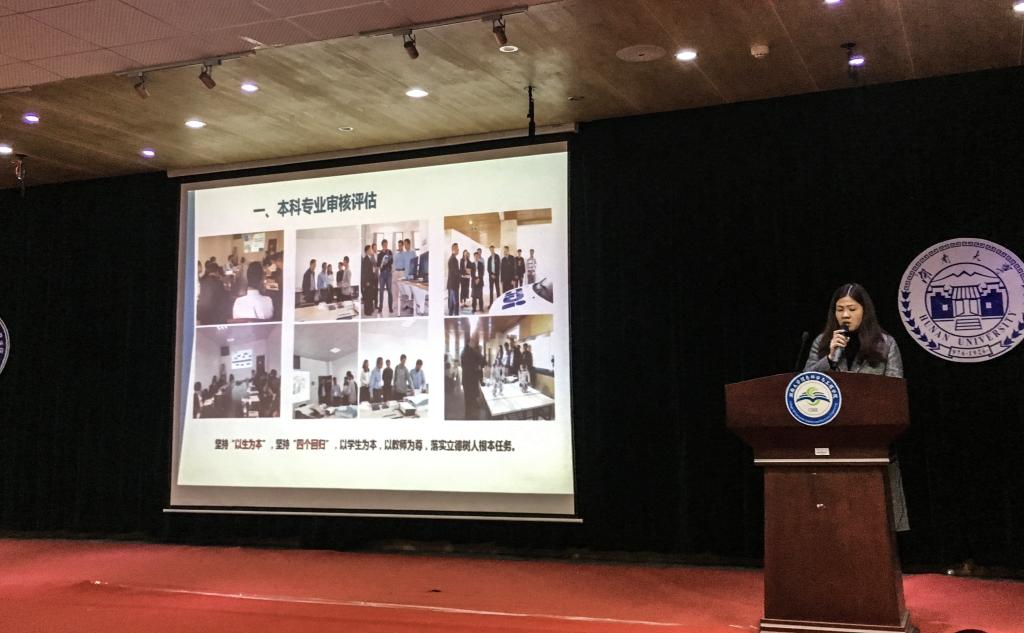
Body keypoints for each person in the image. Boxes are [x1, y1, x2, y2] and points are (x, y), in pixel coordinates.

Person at [804, 282, 908, 532]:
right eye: (840, 309)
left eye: (852, 309)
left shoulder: (885, 343)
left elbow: (894, 392)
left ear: (865, 311)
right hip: (832, 437)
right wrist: (830, 358)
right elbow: (805, 383)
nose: (845, 315)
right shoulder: (822, 342)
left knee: (876, 518)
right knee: (838, 517)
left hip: (873, 440)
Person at [460, 340, 484, 418]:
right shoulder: (469, 352)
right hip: (470, 379)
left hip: (466, 379)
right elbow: (480, 359)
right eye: (472, 343)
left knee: (468, 399)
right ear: (469, 343)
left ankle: (468, 414)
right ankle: (471, 416)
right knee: (471, 397)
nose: (474, 344)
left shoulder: (464, 352)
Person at [377, 238, 393, 315]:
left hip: (389, 273)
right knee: (381, 291)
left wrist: (388, 260)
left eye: (386, 245)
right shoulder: (379, 254)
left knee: (389, 291)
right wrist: (382, 263)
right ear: (382, 245)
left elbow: (392, 261)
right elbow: (378, 265)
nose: (385, 246)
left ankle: (390, 307)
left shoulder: (390, 252)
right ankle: (380, 308)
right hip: (382, 274)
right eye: (384, 245)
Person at [361, 246, 376, 316]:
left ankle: (370, 310)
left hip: (370, 281)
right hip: (368, 282)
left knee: (370, 296)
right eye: (370, 250)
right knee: (367, 297)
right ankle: (367, 312)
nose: (371, 250)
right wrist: (366, 282)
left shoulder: (369, 259)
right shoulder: (365, 260)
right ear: (367, 251)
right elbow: (364, 272)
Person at [447, 243, 461, 316]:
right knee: (455, 303)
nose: (458, 250)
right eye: (456, 248)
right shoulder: (453, 259)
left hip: (452, 285)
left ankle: (451, 316)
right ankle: (456, 317)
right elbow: (456, 272)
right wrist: (464, 271)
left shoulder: (452, 258)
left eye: (458, 248)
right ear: (453, 249)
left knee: (452, 304)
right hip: (453, 285)